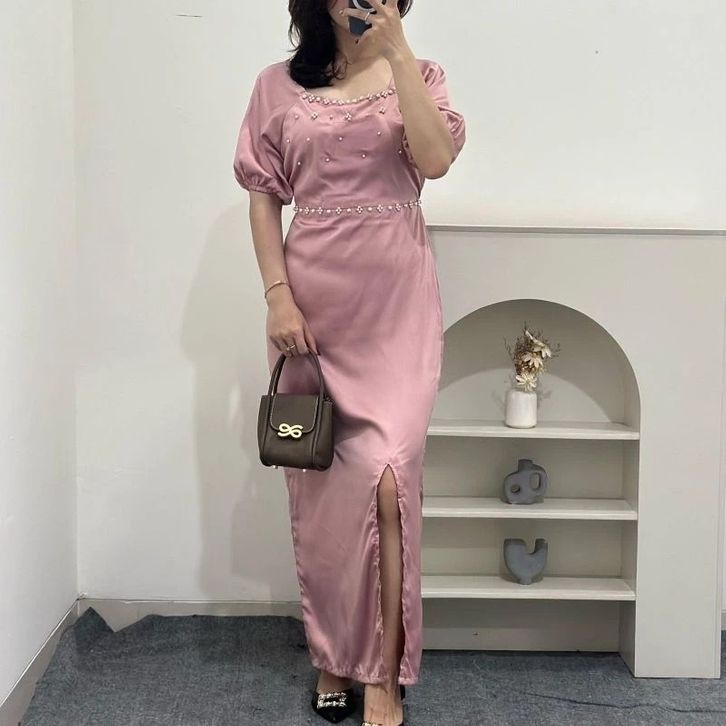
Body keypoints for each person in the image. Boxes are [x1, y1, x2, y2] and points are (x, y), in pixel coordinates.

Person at [232, 1, 466, 724]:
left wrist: (398, 54)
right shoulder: (277, 84)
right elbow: (264, 199)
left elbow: (435, 161)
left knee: (389, 481)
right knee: (328, 496)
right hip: (312, 308)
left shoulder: (422, 74)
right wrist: (277, 297)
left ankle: (384, 677)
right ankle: (334, 655)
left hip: (397, 306)